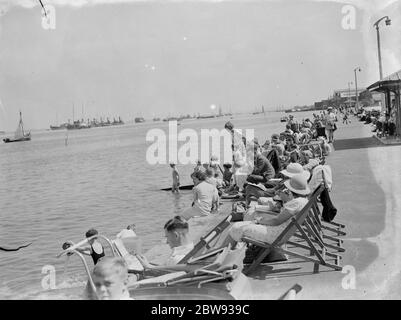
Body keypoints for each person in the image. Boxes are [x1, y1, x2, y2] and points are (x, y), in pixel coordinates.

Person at [226, 174, 310, 245]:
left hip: (276, 235)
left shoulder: (296, 203)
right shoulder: (303, 201)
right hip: (280, 233)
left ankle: (221, 255)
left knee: (236, 227)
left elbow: (276, 221)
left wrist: (260, 221)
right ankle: (222, 254)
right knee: (241, 225)